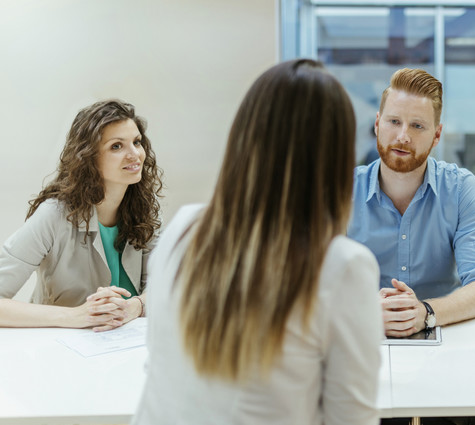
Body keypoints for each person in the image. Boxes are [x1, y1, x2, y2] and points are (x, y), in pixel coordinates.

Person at [133, 59, 383, 425]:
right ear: (335, 157)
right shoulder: (342, 265)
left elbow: (157, 362)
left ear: (244, 138)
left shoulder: (184, 227)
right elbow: (353, 420)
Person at [349, 68, 475, 425]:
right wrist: (360, 310)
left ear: (437, 135)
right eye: (394, 121)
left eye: (418, 126)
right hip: (365, 347)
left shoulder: (461, 188)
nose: (403, 136)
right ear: (377, 124)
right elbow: (306, 284)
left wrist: (424, 312)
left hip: (448, 342)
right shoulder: (340, 190)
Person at [0, 99, 162, 331]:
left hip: (126, 346)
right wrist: (74, 316)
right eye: (117, 146)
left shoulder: (145, 206)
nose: (134, 154)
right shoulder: (53, 215)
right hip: (62, 350)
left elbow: (165, 285)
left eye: (136, 142)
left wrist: (135, 306)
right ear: (88, 157)